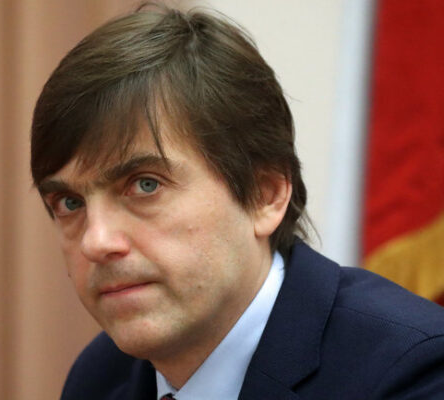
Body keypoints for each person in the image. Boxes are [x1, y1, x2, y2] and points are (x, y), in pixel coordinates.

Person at [30, 3, 444, 399]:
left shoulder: (411, 371)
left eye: (146, 185)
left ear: (266, 195)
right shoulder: (101, 377)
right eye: (70, 203)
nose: (96, 242)